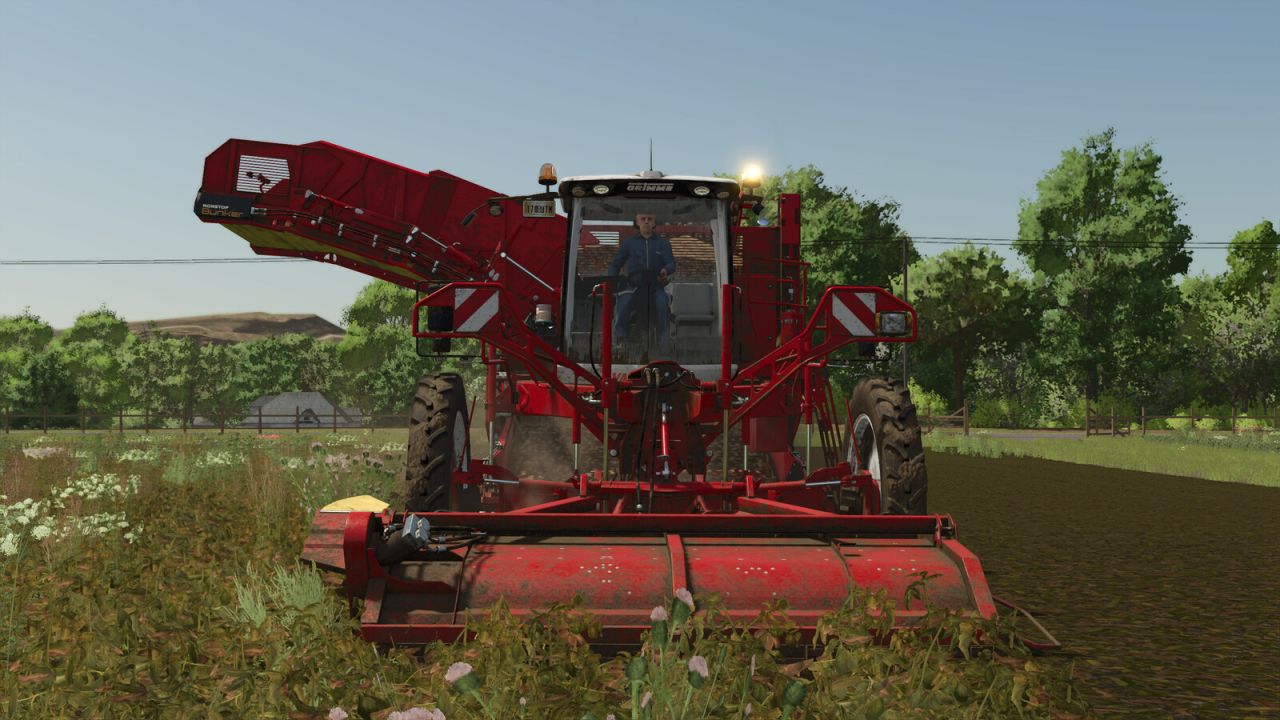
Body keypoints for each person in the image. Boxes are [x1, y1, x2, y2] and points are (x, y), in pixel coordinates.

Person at [606, 212, 675, 353]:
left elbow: (671, 264)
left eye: (650, 219)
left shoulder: (663, 243)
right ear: (637, 223)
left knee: (663, 307)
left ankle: (664, 347)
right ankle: (620, 346)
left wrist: (665, 270)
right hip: (633, 285)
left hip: (656, 286)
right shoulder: (628, 243)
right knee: (622, 307)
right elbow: (615, 265)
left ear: (654, 223)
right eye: (643, 219)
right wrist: (612, 282)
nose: (646, 222)